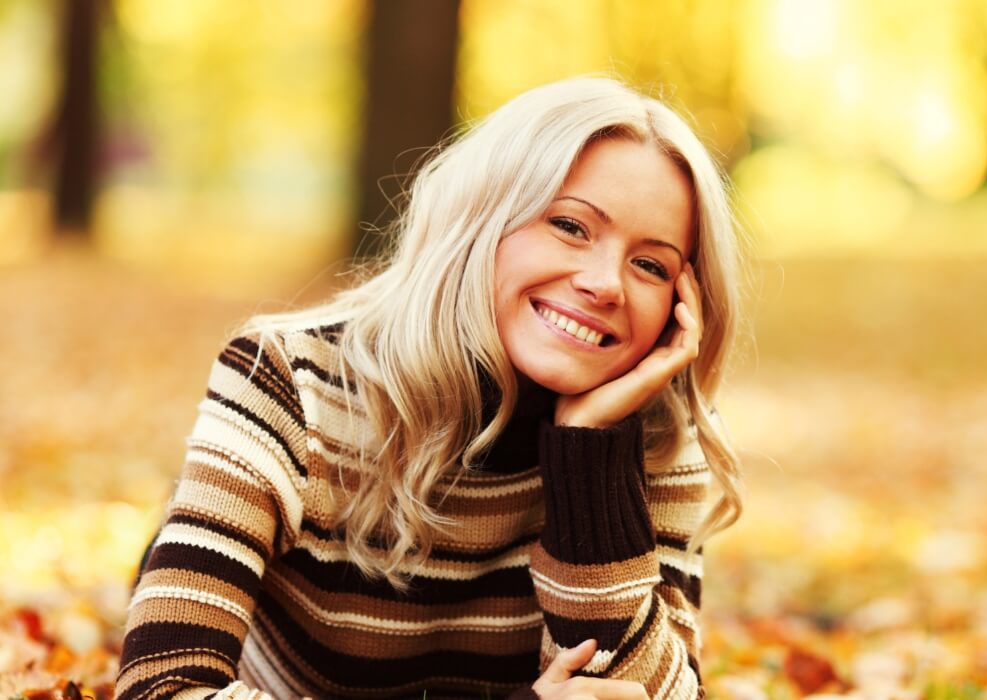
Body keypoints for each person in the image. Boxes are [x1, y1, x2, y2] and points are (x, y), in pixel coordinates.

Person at [115, 77, 747, 700]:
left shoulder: (659, 434)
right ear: (482, 218)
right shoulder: (289, 380)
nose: (605, 283)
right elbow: (163, 688)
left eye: (650, 265)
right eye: (571, 226)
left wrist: (590, 464)